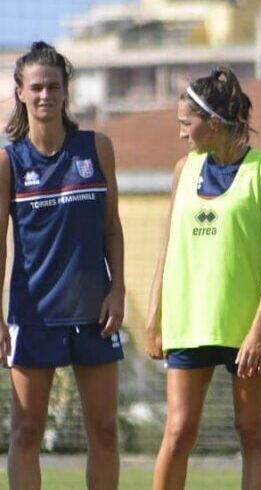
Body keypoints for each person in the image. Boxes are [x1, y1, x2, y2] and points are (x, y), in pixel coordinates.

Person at [144, 66, 261, 490]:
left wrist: (260, 329)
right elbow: (167, 247)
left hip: (245, 327)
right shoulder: (183, 169)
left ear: (214, 123)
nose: (182, 133)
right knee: (178, 431)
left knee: (252, 431)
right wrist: (154, 316)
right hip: (188, 322)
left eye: (187, 124)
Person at [0, 41, 125, 490]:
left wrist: (119, 290)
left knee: (105, 432)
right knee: (26, 432)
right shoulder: (8, 161)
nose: (45, 95)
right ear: (20, 92)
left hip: (95, 314)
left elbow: (112, 227)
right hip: (33, 317)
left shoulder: (97, 148)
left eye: (53, 86)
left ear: (65, 91)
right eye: (36, 87)